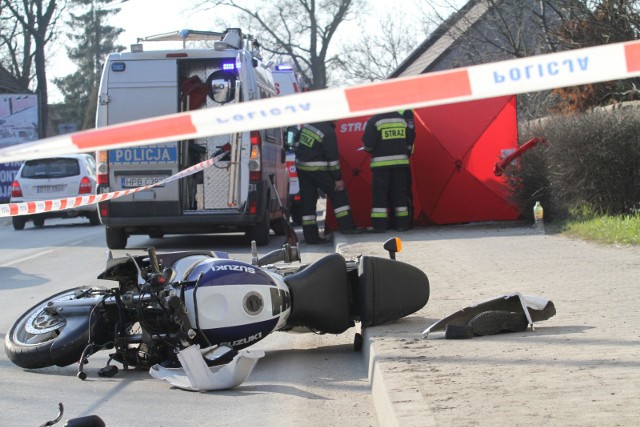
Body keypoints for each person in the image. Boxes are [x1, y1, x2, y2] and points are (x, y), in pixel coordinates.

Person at [294, 121, 363, 244]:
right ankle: (347, 227)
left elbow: (296, 144)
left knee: (308, 203)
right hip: (319, 170)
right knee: (339, 194)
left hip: (302, 170)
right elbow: (333, 159)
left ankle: (311, 237)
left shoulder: (307, 128)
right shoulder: (328, 132)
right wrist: (337, 179)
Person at [362, 110, 415, 233]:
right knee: (400, 194)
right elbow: (409, 138)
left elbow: (368, 145)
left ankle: (379, 226)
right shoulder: (401, 119)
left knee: (380, 195)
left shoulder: (375, 120)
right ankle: (403, 225)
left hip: (381, 166)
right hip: (400, 164)